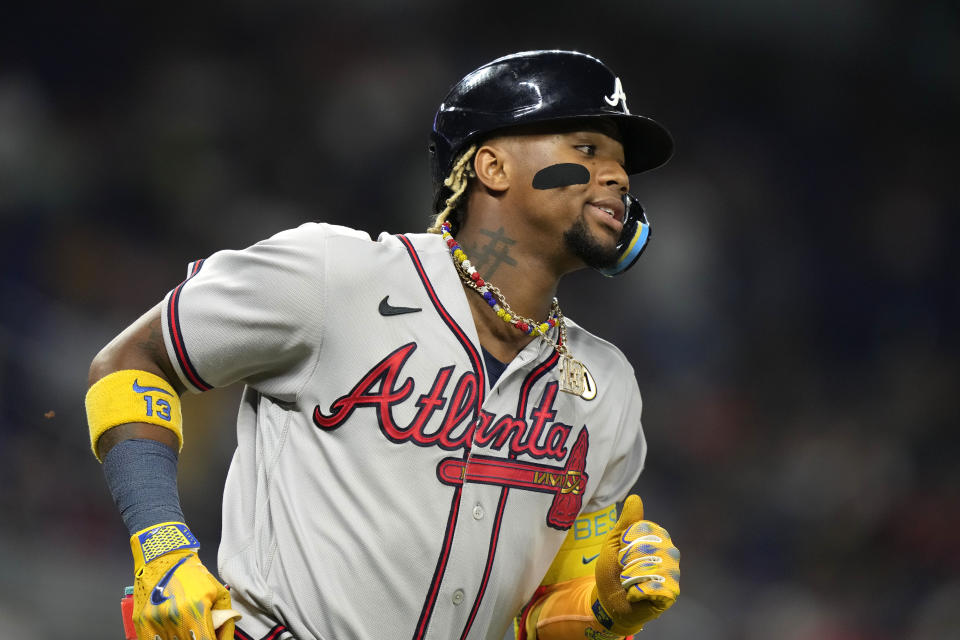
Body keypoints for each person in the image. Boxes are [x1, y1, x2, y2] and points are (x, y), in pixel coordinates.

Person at [86, 49, 681, 640]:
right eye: (587, 149)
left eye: (622, 162)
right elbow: (133, 358)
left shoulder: (609, 388)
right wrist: (162, 548)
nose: (619, 176)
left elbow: (541, 619)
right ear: (493, 167)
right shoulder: (334, 275)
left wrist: (605, 610)